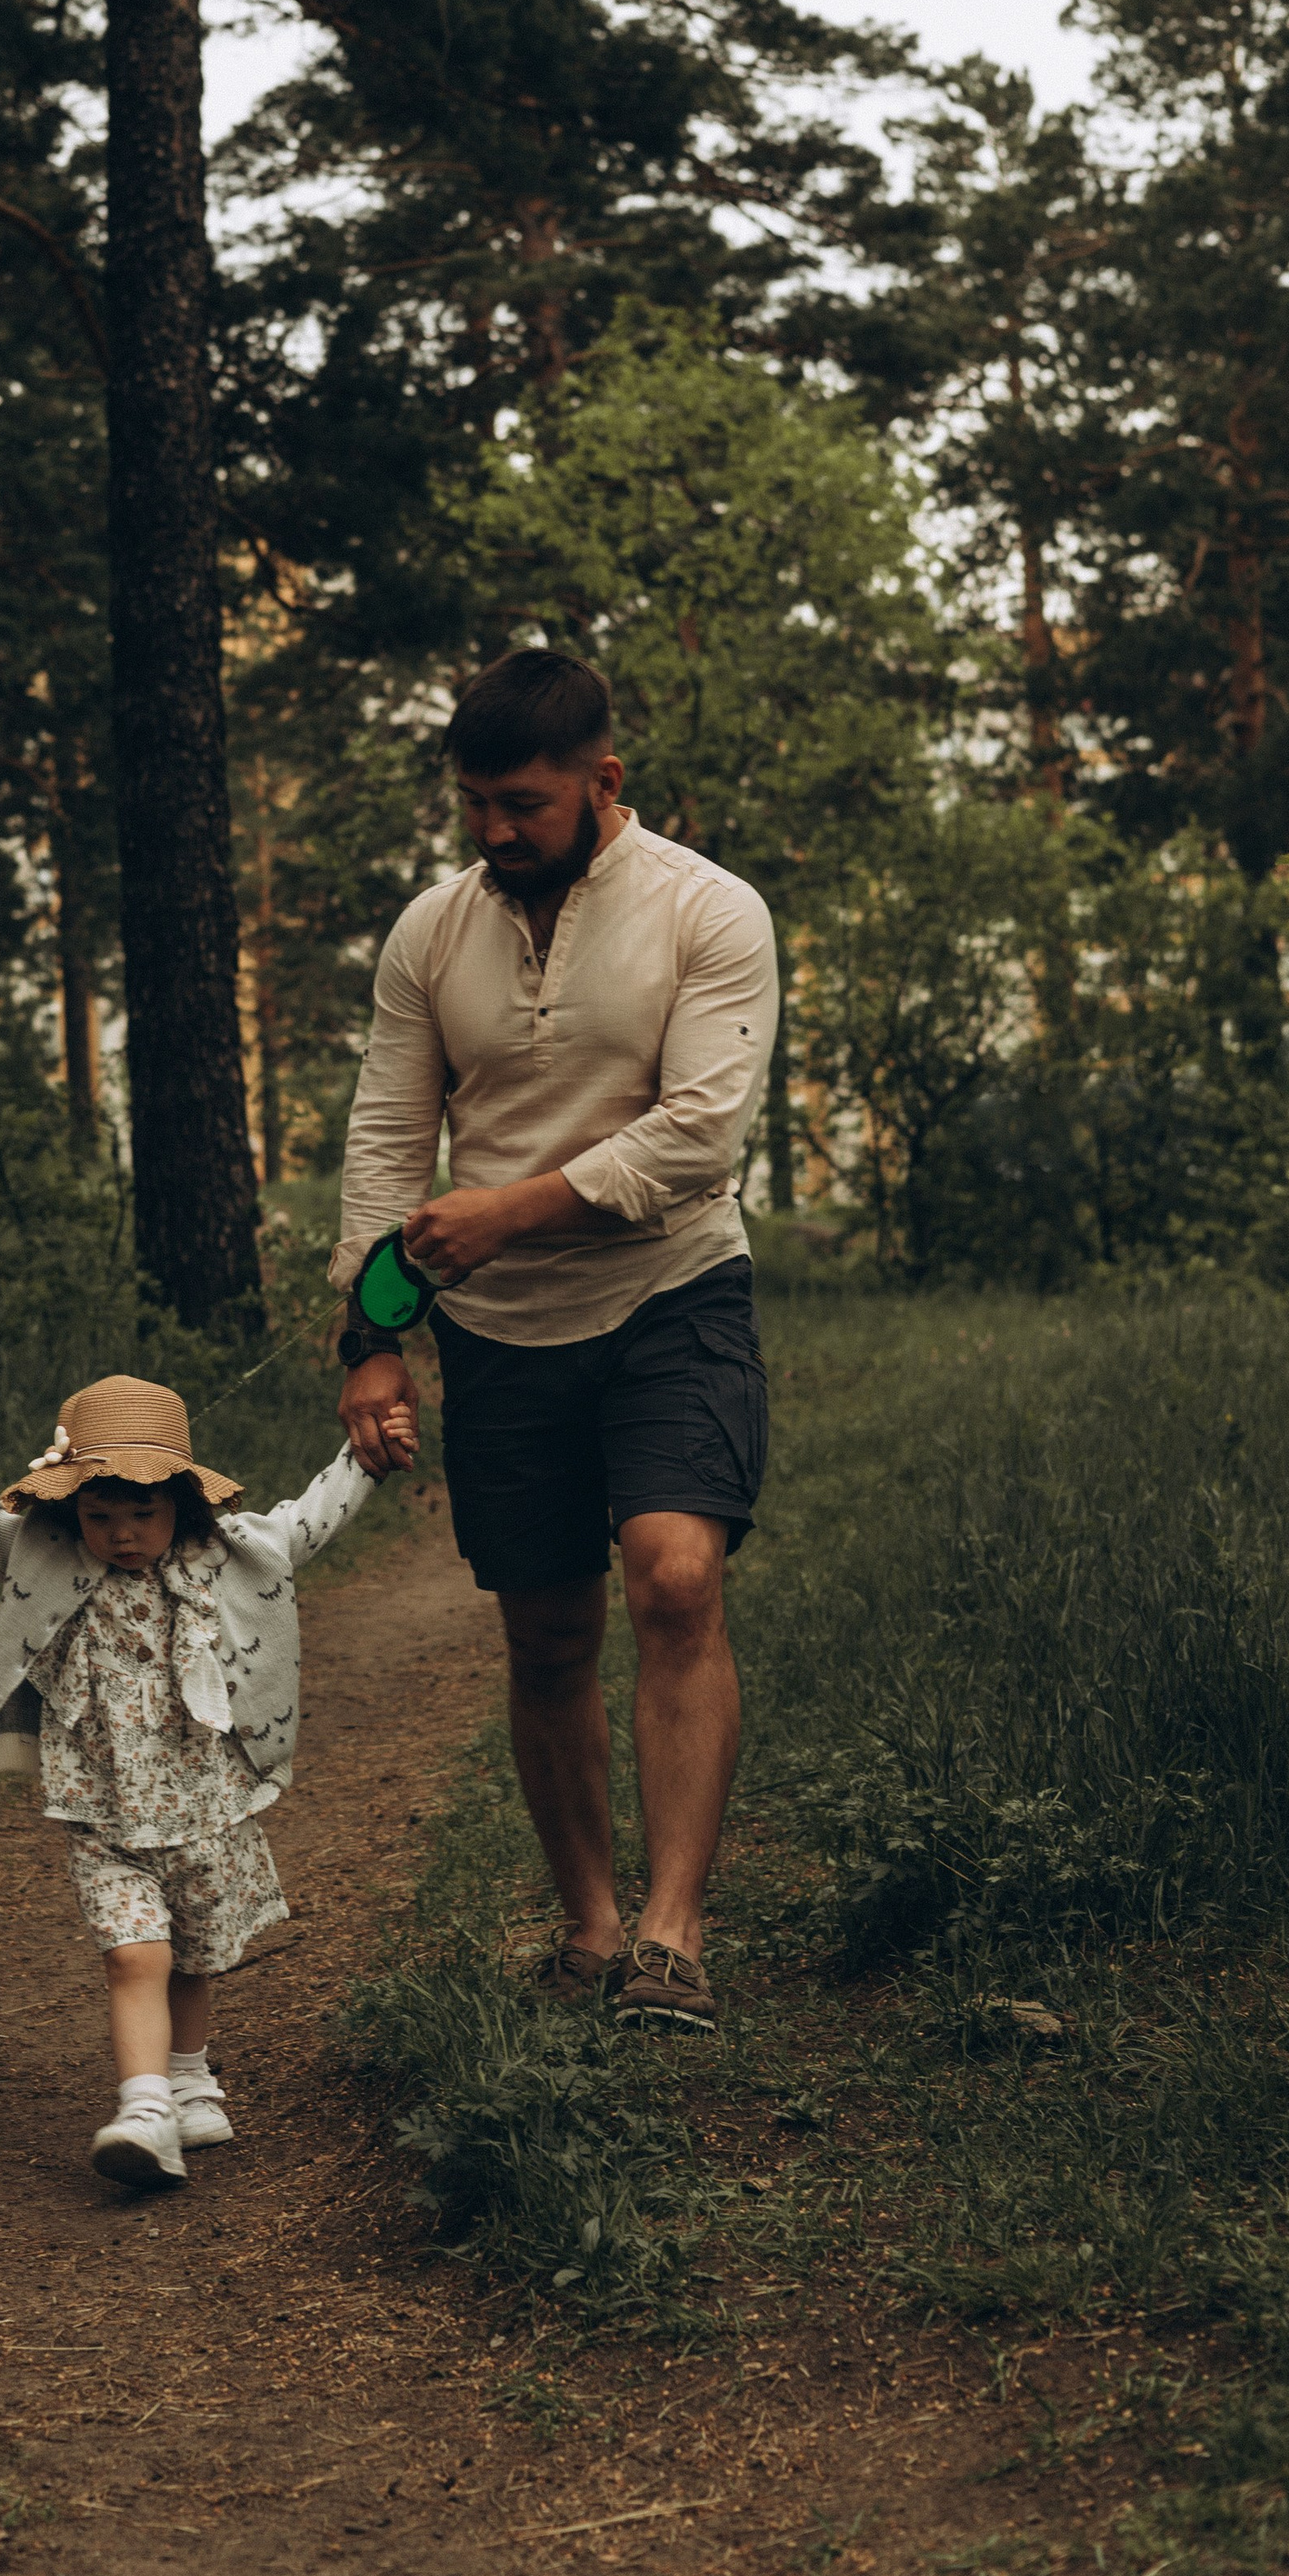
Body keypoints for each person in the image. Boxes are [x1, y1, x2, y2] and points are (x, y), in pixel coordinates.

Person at [332, 651, 777, 2035]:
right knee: (546, 1629)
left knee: (676, 1578)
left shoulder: (710, 910)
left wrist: (510, 1209)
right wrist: (371, 1339)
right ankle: (591, 1925)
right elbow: (388, 1141)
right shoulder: (431, 932)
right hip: (498, 1332)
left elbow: (700, 1134)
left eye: (522, 803)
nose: (494, 830)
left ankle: (672, 1939)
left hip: (673, 1291)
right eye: (473, 803)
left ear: (604, 779)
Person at [0, 1371, 411, 2188]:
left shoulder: (224, 1555)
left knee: (193, 1956)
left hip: (206, 1806)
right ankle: (144, 2108)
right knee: (136, 1955)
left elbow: (306, 1523)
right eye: (100, 1515)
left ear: (181, 1500)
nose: (123, 1534)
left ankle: (189, 2077)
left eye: (143, 1512)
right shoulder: (47, 1554)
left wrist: (366, 1460)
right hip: (103, 1815)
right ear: (71, 1509)